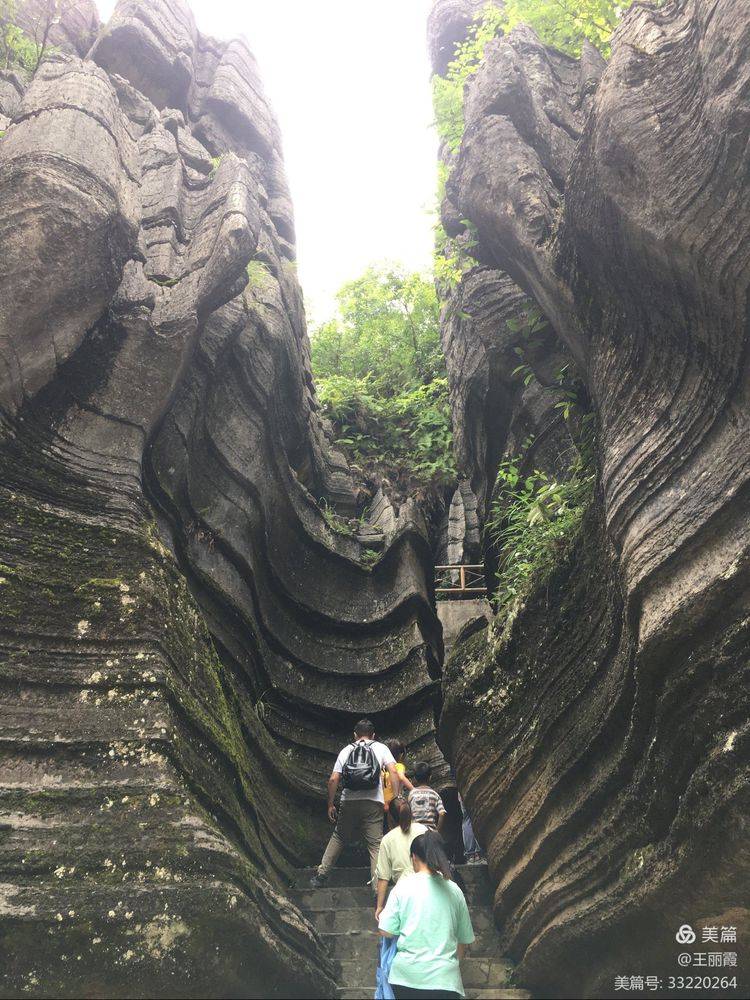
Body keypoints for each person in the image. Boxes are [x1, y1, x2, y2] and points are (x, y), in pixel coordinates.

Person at [378, 831, 475, 999]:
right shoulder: (455, 890)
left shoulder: (402, 887)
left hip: (406, 977)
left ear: (413, 857)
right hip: (445, 979)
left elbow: (386, 931)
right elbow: (463, 941)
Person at [310, 719, 400, 889]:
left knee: (339, 836)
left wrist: (330, 804)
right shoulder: (381, 748)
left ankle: (321, 876)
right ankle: (377, 888)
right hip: (374, 802)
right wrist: (396, 796)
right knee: (375, 845)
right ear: (373, 735)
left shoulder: (346, 750)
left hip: (349, 801)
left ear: (354, 735)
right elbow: (394, 771)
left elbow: (333, 779)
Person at [374, 799, 427, 1000]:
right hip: (426, 891)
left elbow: (384, 877)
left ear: (390, 817)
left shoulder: (388, 839)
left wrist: (380, 906)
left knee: (395, 943)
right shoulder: (424, 831)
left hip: (401, 896)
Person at [407, 762, 447, 833]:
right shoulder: (434, 794)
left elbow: (408, 812)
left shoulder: (412, 794)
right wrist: (437, 831)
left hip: (415, 832)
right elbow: (442, 813)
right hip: (430, 832)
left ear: (415, 779)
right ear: (430, 777)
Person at [383, 739, 414, 828]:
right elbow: (401, 777)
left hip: (383, 803)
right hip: (394, 804)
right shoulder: (398, 766)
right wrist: (414, 789)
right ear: (400, 755)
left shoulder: (383, 769)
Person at [458, 793, 484, 865]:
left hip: (461, 792)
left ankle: (471, 855)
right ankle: (478, 854)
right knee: (476, 816)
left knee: (467, 819)